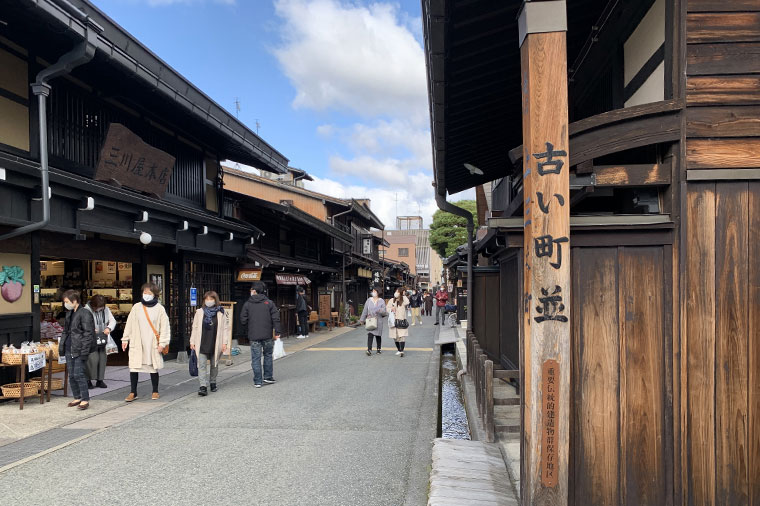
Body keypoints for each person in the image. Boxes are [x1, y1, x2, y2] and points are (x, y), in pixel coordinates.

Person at [121, 283, 170, 402]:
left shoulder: (159, 309)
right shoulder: (136, 307)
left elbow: (165, 327)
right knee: (134, 366)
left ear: (155, 295)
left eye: (149, 293)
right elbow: (129, 324)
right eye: (145, 293)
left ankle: (155, 391)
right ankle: (133, 392)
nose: (146, 295)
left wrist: (162, 343)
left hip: (151, 342)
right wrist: (125, 339)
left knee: (152, 367)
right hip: (137, 341)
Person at [240, 281, 281, 388]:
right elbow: (276, 318)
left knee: (256, 358)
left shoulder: (247, 304)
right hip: (267, 334)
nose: (250, 291)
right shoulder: (269, 303)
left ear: (254, 290)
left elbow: (243, 320)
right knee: (268, 355)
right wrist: (277, 332)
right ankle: (268, 377)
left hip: (253, 335)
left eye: (251, 289)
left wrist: (248, 327)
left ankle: (258, 381)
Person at [59, 290, 95, 410]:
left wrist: (84, 351)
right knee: (71, 374)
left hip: (79, 348)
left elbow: (88, 333)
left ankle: (85, 398)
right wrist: (62, 346)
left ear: (75, 301)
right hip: (70, 346)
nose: (66, 304)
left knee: (78, 373)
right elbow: (66, 331)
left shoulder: (84, 313)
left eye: (67, 301)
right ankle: (77, 396)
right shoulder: (70, 313)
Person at [190, 291, 229, 396]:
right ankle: (203, 386)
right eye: (206, 299)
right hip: (202, 341)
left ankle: (213, 382)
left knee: (214, 364)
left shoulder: (221, 312)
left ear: (215, 300)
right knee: (201, 365)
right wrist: (192, 341)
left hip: (215, 341)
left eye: (211, 299)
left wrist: (225, 343)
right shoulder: (199, 312)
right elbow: (195, 327)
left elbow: (225, 329)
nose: (208, 301)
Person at [85, 294, 116, 389]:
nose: (100, 309)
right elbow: (82, 323)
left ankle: (100, 379)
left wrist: (108, 328)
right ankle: (88, 380)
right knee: (92, 359)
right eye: (98, 307)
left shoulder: (106, 309)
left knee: (102, 358)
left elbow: (112, 321)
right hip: (91, 339)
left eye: (101, 307)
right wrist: (90, 329)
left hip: (102, 337)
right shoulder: (86, 310)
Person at [359, 286, 388, 356]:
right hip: (370, 320)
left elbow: (385, 312)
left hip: (378, 320)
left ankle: (379, 348)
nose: (373, 292)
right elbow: (365, 310)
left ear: (378, 292)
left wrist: (380, 310)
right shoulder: (369, 300)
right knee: (370, 334)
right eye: (373, 291)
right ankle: (369, 349)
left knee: (378, 335)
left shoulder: (381, 301)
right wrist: (362, 319)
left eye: (374, 291)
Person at [387, 289, 410, 357]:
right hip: (393, 321)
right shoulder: (392, 300)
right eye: (395, 291)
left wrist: (403, 295)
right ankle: (399, 350)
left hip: (401, 320)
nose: (396, 293)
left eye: (397, 292)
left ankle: (401, 351)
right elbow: (387, 308)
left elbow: (407, 302)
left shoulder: (403, 300)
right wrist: (391, 309)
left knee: (402, 336)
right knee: (395, 337)